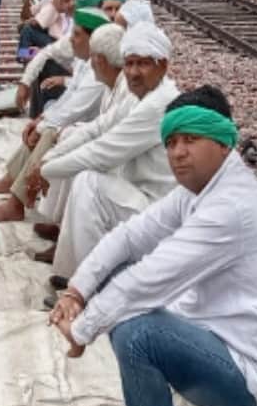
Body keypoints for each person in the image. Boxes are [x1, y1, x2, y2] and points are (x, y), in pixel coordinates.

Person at [48, 85, 257, 406]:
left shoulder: (231, 207)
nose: (178, 152)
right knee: (117, 287)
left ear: (223, 142)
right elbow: (128, 237)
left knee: (136, 326)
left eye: (191, 139)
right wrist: (77, 292)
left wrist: (82, 328)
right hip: (213, 343)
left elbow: (150, 278)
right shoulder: (196, 193)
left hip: (246, 380)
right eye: (172, 142)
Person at [43, 22, 180, 281]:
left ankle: (92, 288)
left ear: (163, 66)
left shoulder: (159, 103)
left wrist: (43, 170)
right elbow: (97, 129)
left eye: (143, 64)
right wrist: (46, 160)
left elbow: (101, 152)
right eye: (129, 64)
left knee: (90, 182)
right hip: (140, 195)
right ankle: (74, 274)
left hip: (158, 210)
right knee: (84, 170)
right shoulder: (142, 95)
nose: (134, 72)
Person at [0, 9, 114, 222]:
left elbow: (74, 109)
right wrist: (40, 117)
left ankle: (16, 202)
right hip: (79, 124)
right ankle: (11, 179)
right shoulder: (85, 61)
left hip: (90, 132)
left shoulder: (97, 70)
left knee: (48, 132)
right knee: (44, 123)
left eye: (76, 35)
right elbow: (69, 97)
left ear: (93, 40)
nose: (71, 40)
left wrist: (41, 126)